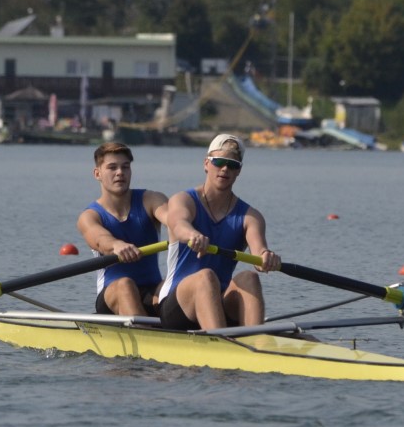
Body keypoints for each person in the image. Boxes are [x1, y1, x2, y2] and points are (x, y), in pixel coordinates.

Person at [158, 133, 281, 330]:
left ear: (239, 171)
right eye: (219, 162)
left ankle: (257, 340)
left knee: (249, 277)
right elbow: (178, 224)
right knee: (205, 276)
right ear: (206, 163)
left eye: (232, 165)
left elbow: (259, 252)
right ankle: (222, 340)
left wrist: (266, 258)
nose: (225, 169)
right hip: (177, 306)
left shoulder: (251, 217)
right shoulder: (183, 200)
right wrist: (192, 235)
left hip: (220, 302)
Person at [77, 141, 170, 317]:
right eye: (112, 167)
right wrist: (116, 245)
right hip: (112, 294)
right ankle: (145, 331)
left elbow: (172, 219)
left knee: (178, 284)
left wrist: (186, 229)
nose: (120, 172)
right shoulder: (89, 216)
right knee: (125, 285)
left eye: (125, 167)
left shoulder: (151, 199)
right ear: (97, 173)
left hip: (152, 291)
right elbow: (100, 240)